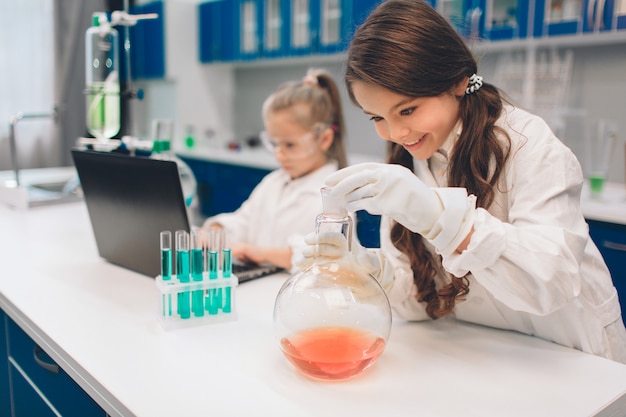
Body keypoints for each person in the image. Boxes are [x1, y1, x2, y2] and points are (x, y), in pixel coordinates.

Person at [301, 0, 626, 363]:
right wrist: (373, 271)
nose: (395, 132)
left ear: (457, 81)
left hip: (571, 356)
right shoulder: (411, 160)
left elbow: (551, 281)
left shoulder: (528, 143)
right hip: (489, 353)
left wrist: (445, 220)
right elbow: (423, 301)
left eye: (407, 110)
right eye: (377, 117)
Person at [203, 68, 347, 271]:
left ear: (324, 139)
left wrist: (262, 253)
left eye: (289, 145)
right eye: (274, 144)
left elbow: (329, 257)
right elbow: (244, 222)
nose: (279, 154)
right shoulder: (273, 182)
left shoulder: (335, 196)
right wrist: (217, 231)